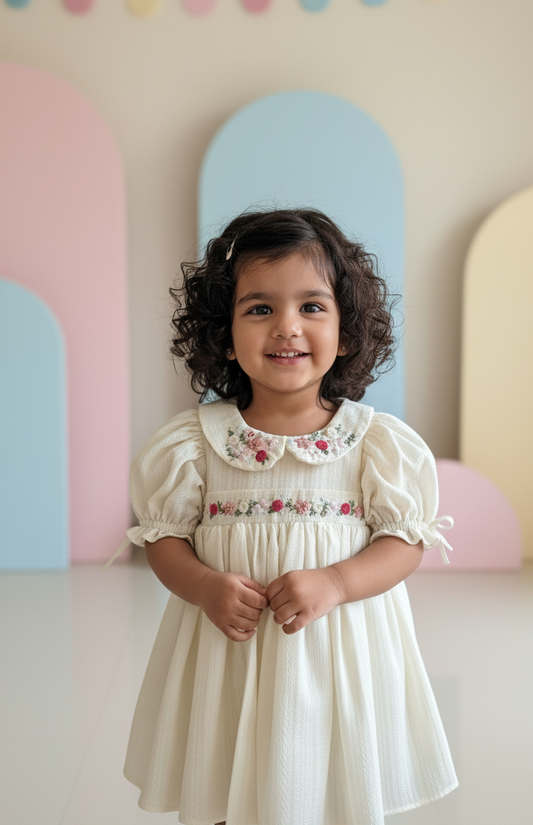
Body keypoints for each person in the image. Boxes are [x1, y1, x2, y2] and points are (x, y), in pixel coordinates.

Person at [122, 208, 458, 825]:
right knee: (225, 777)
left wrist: (336, 581)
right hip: (231, 652)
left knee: (331, 783)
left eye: (312, 307)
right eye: (258, 309)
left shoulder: (375, 443)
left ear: (347, 331)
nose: (286, 328)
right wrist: (202, 584)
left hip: (335, 654)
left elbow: (403, 541)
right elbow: (163, 538)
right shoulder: (195, 442)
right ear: (223, 334)